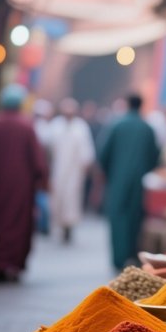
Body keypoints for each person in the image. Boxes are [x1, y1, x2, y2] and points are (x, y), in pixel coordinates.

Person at [0, 83, 48, 283]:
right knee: (18, 225)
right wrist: (42, 182)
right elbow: (38, 162)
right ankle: (13, 264)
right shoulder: (26, 126)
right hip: (21, 188)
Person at [98, 94, 159, 270]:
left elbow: (103, 154)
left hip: (117, 180)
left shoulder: (116, 125)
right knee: (135, 218)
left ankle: (118, 258)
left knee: (117, 218)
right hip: (139, 183)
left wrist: (110, 173)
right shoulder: (147, 128)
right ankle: (131, 255)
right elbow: (154, 156)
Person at [48, 97, 95, 243]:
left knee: (71, 199)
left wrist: (86, 166)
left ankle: (69, 227)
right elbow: (47, 148)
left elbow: (86, 150)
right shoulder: (55, 125)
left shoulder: (81, 127)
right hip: (58, 169)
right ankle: (60, 227)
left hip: (75, 171)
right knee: (58, 199)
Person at [32, 98, 54, 236]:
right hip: (41, 167)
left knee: (40, 197)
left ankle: (42, 224)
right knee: (41, 197)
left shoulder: (41, 127)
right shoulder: (45, 128)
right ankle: (43, 224)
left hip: (38, 167)